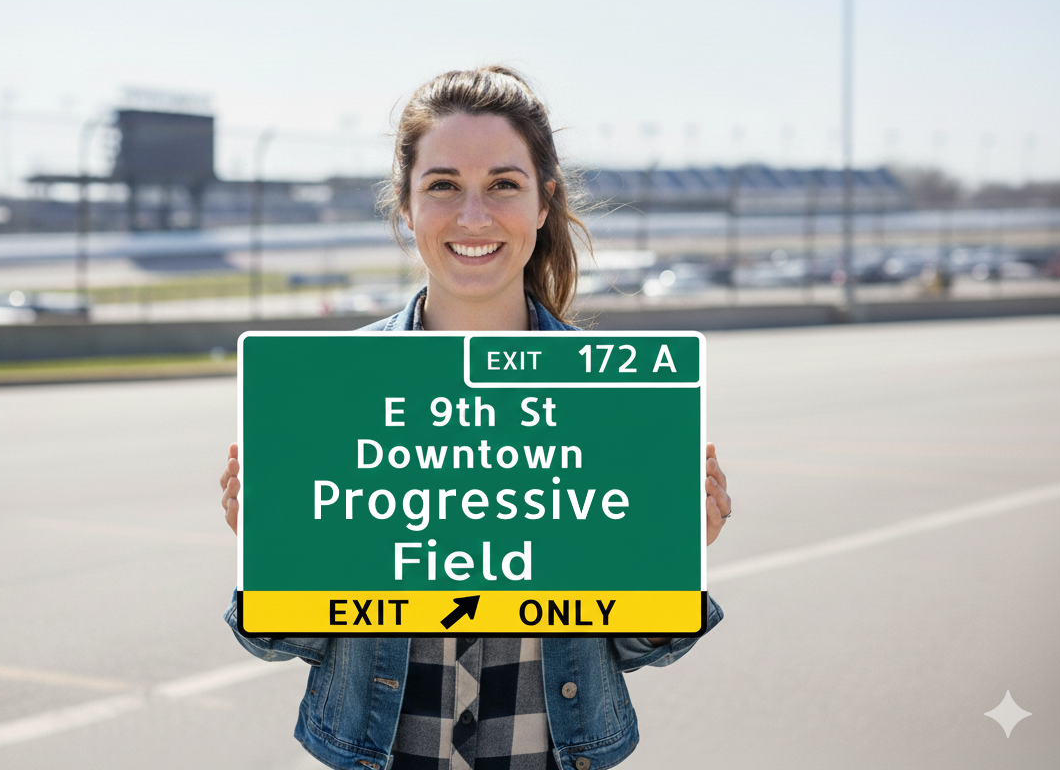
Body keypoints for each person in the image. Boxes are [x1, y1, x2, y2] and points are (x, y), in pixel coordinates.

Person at [219, 66, 731, 770]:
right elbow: (292, 640)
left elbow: (637, 644)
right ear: (406, 206)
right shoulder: (330, 392)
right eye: (443, 185)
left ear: (544, 202)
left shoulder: (614, 397)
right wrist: (274, 552)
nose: (473, 217)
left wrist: (672, 561)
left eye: (503, 184)